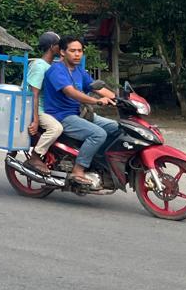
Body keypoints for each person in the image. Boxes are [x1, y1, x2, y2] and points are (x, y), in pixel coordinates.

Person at [42, 35, 119, 187]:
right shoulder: (56, 70)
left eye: (80, 51)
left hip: (80, 113)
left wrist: (120, 99)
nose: (77, 54)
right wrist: (96, 101)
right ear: (63, 52)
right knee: (98, 134)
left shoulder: (78, 71)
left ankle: (100, 163)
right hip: (62, 116)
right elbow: (71, 92)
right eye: (73, 51)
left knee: (117, 128)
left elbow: (97, 87)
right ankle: (78, 170)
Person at [25, 31, 64, 174]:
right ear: (52, 47)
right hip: (39, 109)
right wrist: (35, 120)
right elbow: (33, 94)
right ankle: (35, 156)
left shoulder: (52, 65)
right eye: (60, 45)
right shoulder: (39, 66)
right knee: (56, 129)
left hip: (49, 108)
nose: (62, 48)